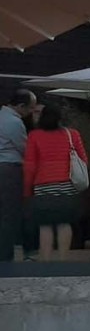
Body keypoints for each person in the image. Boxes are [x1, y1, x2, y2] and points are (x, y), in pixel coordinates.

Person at [22, 102, 87, 261]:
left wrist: (27, 191)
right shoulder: (72, 134)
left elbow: (30, 165)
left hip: (43, 186)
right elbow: (83, 159)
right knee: (64, 223)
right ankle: (63, 261)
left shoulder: (34, 136)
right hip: (67, 185)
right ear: (60, 118)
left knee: (45, 225)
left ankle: (45, 261)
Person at [0, 89, 36, 262]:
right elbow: (25, 148)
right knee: (10, 213)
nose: (30, 112)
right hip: (9, 169)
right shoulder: (14, 122)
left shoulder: (2, 116)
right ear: (21, 106)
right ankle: (5, 255)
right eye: (30, 108)